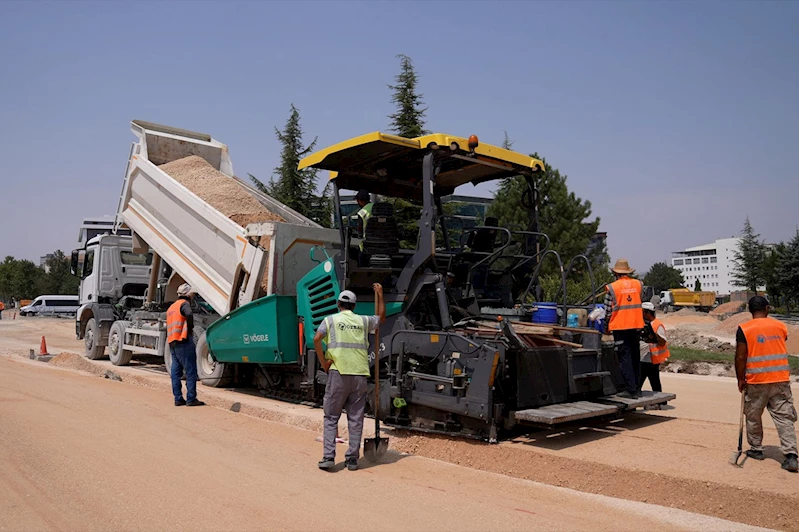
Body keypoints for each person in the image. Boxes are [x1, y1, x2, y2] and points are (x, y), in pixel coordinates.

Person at [314, 284, 385, 472]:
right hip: (360, 374)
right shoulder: (363, 321)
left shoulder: (330, 320)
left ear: (338, 304)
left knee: (331, 416)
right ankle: (352, 459)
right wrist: (380, 294)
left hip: (338, 373)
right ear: (354, 306)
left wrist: (324, 362)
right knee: (356, 418)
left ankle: (329, 457)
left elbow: (316, 338)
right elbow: (381, 318)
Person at [735, 295, 797, 472]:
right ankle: (791, 455)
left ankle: (756, 449)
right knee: (784, 417)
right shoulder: (780, 326)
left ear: (750, 310)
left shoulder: (744, 329)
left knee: (753, 415)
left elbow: (740, 356)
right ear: (767, 308)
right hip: (780, 379)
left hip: (756, 380)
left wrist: (740, 379)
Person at [604, 259, 645, 398]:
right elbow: (639, 301)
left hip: (620, 327)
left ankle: (631, 390)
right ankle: (637, 388)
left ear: (615, 273)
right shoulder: (639, 284)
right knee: (635, 357)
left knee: (624, 358)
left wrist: (605, 326)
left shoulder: (612, 288)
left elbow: (608, 311)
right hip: (636, 326)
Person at [166, 283, 205, 407]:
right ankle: (191, 398)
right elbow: (188, 314)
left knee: (175, 372)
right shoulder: (185, 304)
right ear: (188, 294)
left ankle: (178, 398)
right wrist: (190, 328)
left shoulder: (172, 307)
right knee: (190, 370)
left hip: (172, 342)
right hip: (183, 341)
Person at [639, 302, 669, 400]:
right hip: (645, 358)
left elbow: (662, 342)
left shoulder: (657, 325)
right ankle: (660, 401)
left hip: (652, 359)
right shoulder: (644, 324)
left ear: (647, 313)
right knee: (654, 381)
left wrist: (653, 336)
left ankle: (660, 401)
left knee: (642, 381)